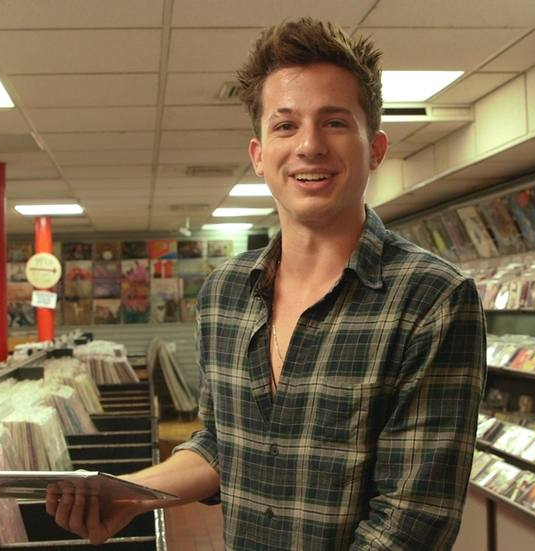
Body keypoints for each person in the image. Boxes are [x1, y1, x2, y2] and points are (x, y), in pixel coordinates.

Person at [46, 17, 486, 550]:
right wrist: (128, 495)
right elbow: (221, 445)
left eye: (335, 122)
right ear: (258, 155)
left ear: (375, 148)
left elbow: (413, 521)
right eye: (285, 126)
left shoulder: (433, 300)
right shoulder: (223, 295)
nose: (309, 145)